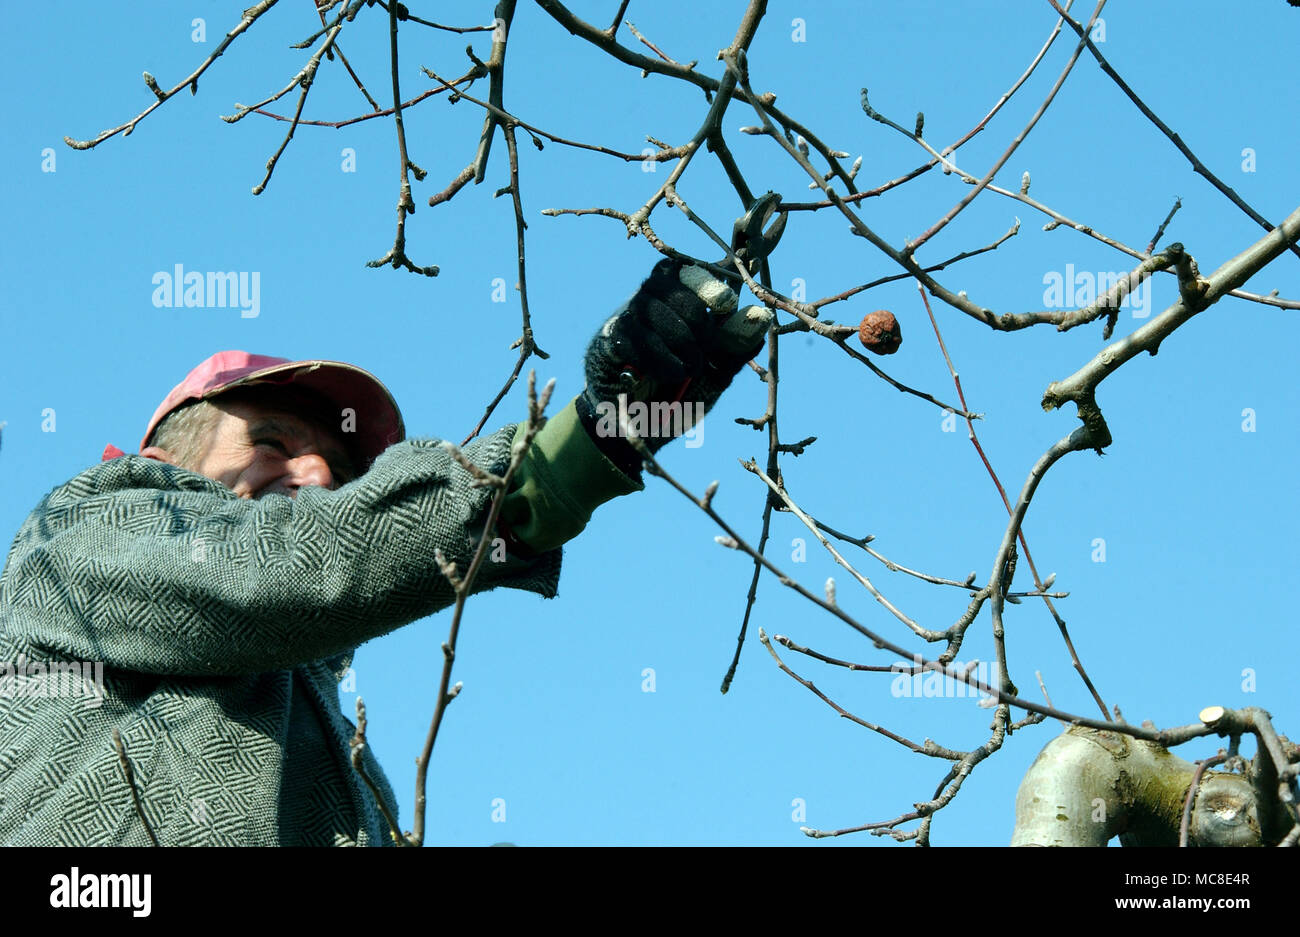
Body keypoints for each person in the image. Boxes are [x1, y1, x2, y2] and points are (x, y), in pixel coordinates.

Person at [0, 260, 769, 846]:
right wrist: (581, 443)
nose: (316, 478)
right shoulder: (74, 537)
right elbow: (286, 564)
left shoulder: (346, 757)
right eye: (273, 442)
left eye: (337, 472)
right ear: (167, 461)